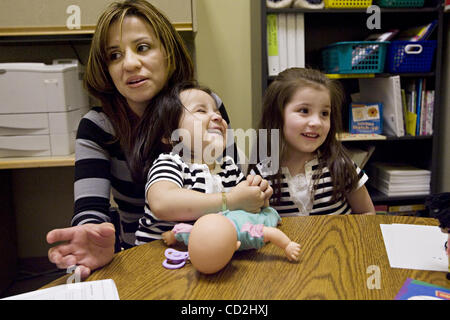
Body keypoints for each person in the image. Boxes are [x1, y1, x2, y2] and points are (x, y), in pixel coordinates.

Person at [46, 0, 235, 280]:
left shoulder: (207, 107)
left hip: (214, 253)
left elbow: (230, 183)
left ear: (168, 54)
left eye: (142, 48)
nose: (130, 63)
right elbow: (90, 211)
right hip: (142, 259)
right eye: (115, 55)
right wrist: (92, 236)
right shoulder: (97, 127)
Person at [131, 81, 273, 244]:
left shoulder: (229, 168)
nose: (218, 117)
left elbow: (243, 213)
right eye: (201, 110)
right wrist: (230, 200)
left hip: (215, 257)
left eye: (217, 111)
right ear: (169, 134)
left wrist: (258, 197)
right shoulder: (170, 163)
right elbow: (162, 203)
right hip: (159, 260)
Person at [249, 68, 376, 216]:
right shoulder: (261, 175)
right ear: (277, 115)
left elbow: (367, 212)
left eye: (324, 113)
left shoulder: (341, 166)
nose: (317, 122)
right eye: (304, 111)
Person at [162, 208, 301, 274]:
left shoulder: (246, 232)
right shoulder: (195, 234)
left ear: (237, 246)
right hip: (232, 213)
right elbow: (181, 231)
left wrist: (287, 244)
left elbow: (270, 232)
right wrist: (172, 235)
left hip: (250, 215)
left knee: (269, 219)